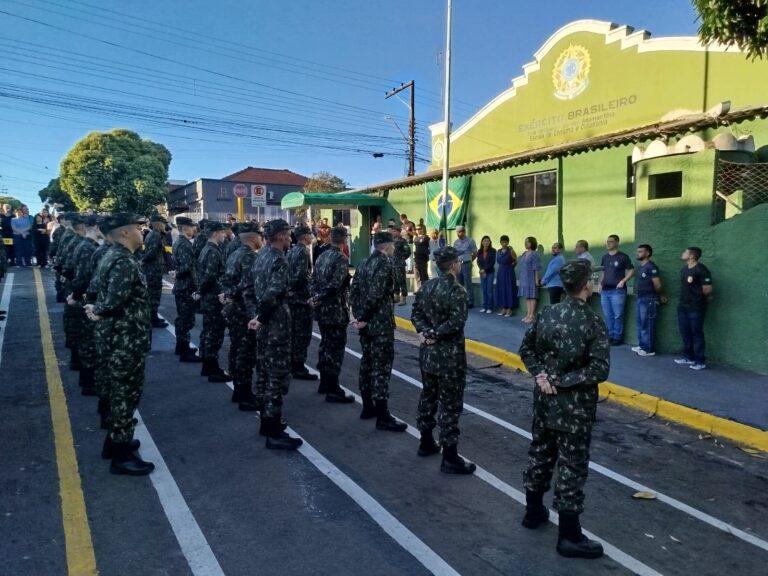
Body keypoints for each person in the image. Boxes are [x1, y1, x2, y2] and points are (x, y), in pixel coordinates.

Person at [518, 259, 610, 559]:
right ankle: (569, 536)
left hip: (545, 402)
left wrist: (541, 376)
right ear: (586, 285)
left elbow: (526, 350)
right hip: (574, 409)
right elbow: (599, 369)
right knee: (572, 466)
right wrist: (560, 380)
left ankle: (533, 512)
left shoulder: (547, 312)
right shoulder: (592, 321)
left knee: (540, 454)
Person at [85, 213, 155, 476]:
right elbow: (115, 300)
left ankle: (114, 444)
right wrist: (99, 310)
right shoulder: (123, 260)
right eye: (137, 228)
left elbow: (98, 292)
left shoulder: (112, 255)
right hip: (126, 339)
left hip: (116, 336)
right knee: (125, 394)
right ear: (125, 233)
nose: (141, 231)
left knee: (117, 392)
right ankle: (122, 456)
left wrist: (96, 308)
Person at [411, 246, 477, 474]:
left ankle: (426, 441)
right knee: (449, 404)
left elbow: (415, 314)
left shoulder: (427, 287)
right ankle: (449, 456)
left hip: (428, 353)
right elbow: (456, 323)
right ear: (454, 265)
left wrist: (426, 333)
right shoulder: (456, 290)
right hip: (449, 357)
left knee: (428, 396)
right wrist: (435, 333)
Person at [248, 218, 303, 450]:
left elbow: (254, 290)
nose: (290, 238)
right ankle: (273, 432)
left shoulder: (261, 256)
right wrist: (261, 317)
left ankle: (267, 423)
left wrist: (257, 317)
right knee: (276, 379)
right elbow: (273, 294)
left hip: (265, 327)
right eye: (288, 234)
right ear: (280, 236)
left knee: (263, 374)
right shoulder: (279, 259)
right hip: (276, 326)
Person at [349, 231, 407, 432]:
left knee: (367, 362)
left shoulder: (364, 263)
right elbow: (376, 294)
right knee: (381, 368)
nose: (394, 248)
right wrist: (363, 317)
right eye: (392, 244)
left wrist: (358, 316)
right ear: (386, 245)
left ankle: (367, 407)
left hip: (367, 325)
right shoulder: (383, 264)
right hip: (379, 324)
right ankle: (382, 416)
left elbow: (354, 291)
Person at [219, 221, 262, 410]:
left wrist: (228, 294)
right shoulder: (249, 257)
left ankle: (239, 391)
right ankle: (244, 395)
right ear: (253, 237)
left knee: (237, 350)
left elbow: (228, 281)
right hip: (245, 311)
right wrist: (255, 316)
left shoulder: (234, 254)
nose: (262, 239)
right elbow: (248, 288)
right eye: (260, 236)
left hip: (234, 310)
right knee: (246, 353)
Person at [312, 226, 355, 403]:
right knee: (335, 349)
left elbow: (313, 280)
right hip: (335, 309)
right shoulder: (341, 258)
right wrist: (320, 297)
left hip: (322, 309)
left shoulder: (322, 256)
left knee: (325, 345)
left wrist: (316, 297)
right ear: (344, 240)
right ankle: (333, 388)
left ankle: (324, 383)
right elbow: (336, 285)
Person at [68, 214, 103, 396]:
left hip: (87, 298)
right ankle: (89, 383)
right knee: (89, 342)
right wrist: (75, 296)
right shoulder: (87, 248)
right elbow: (82, 277)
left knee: (88, 340)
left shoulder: (88, 246)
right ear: (95, 228)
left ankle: (88, 379)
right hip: (88, 300)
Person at [197, 221, 231, 382]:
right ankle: (212, 369)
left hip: (210, 297)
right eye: (222, 232)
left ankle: (208, 366)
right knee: (214, 334)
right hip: (214, 298)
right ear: (216, 233)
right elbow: (210, 276)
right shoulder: (213, 251)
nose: (224, 235)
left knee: (209, 332)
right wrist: (202, 291)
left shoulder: (207, 249)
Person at [286, 223, 317, 381]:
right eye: (310, 234)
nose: (312, 237)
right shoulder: (303, 252)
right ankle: (298, 366)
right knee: (302, 334)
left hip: (293, 298)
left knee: (294, 333)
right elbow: (300, 276)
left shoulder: (292, 250)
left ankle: (294, 364)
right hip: (301, 299)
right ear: (305, 236)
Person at [674, 247, 713, 371]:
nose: (682, 253)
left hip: (696, 307)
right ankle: (688, 357)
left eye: (685, 252)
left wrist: (698, 298)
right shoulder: (684, 269)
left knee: (696, 333)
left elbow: (708, 289)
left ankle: (700, 361)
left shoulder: (702, 270)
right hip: (683, 306)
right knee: (685, 332)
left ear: (692, 256)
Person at [171, 217, 202, 363]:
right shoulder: (184, 244)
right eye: (191, 227)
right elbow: (186, 267)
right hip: (186, 287)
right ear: (185, 228)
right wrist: (178, 273)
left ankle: (181, 346)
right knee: (186, 319)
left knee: (183, 318)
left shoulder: (180, 242)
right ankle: (184, 350)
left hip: (182, 286)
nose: (194, 229)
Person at [599, 234, 634, 345]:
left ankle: (617, 337)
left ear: (617, 243)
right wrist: (600, 283)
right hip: (605, 291)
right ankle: (610, 336)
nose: (608, 243)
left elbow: (631, 270)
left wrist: (623, 281)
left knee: (618, 315)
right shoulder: (605, 257)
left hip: (617, 291)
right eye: (607, 241)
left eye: (611, 241)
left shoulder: (623, 257)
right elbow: (603, 272)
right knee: (607, 315)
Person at [632, 244, 666, 357]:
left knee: (647, 324)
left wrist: (660, 295)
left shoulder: (651, 267)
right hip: (640, 298)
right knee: (641, 324)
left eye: (640, 251)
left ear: (647, 253)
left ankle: (649, 349)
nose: (638, 253)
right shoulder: (640, 266)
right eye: (637, 251)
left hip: (649, 299)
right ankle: (642, 345)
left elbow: (657, 284)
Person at [141, 214, 169, 328]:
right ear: (158, 223)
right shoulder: (155, 235)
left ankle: (154, 316)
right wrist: (142, 261)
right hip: (153, 270)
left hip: (154, 269)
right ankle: (153, 318)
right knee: (154, 294)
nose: (164, 226)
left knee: (154, 294)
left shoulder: (154, 234)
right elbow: (151, 252)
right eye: (163, 224)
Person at [453, 225, 477, 308]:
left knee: (467, 283)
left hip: (466, 264)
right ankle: (461, 300)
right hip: (458, 264)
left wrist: (469, 260)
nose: (458, 234)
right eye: (457, 232)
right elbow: (454, 254)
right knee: (459, 283)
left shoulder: (470, 241)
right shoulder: (456, 242)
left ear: (464, 232)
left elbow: (475, 253)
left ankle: (470, 301)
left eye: (460, 232)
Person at [518, 236, 541, 323]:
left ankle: (532, 315)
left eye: (527, 242)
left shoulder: (534, 254)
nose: (526, 243)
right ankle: (528, 314)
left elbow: (536, 268)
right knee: (527, 296)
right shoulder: (524, 254)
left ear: (532, 243)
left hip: (531, 278)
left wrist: (536, 280)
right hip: (525, 278)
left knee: (532, 296)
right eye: (525, 242)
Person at [495, 235, 518, 316]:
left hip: (509, 272)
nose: (504, 243)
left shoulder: (511, 251)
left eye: (505, 242)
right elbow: (498, 261)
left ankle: (509, 309)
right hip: (500, 272)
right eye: (502, 242)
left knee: (509, 289)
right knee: (501, 289)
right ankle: (504, 308)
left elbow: (515, 261)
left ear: (508, 242)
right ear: (500, 242)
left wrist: (510, 268)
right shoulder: (498, 251)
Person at [390, 225, 411, 305]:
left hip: (400, 264)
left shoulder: (403, 241)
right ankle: (396, 296)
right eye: (392, 231)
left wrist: (402, 258)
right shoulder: (392, 241)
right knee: (395, 281)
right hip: (392, 264)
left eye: (395, 231)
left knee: (401, 281)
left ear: (399, 232)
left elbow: (408, 251)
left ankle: (403, 298)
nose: (393, 233)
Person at [477, 235, 496, 313]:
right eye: (485, 240)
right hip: (482, 273)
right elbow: (478, 261)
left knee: (489, 291)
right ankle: (484, 306)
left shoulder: (493, 250)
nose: (486, 242)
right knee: (484, 290)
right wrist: (481, 270)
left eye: (488, 240)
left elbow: (492, 262)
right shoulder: (479, 251)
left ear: (490, 242)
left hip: (490, 272)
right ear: (482, 242)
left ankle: (490, 307)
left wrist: (484, 270)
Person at [412, 224, 431, 289]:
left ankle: (426, 289)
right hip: (416, 258)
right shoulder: (415, 238)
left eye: (419, 229)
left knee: (424, 275)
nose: (417, 230)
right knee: (417, 275)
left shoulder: (426, 237)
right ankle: (419, 289)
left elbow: (427, 246)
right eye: (416, 229)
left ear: (423, 229)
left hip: (423, 259)